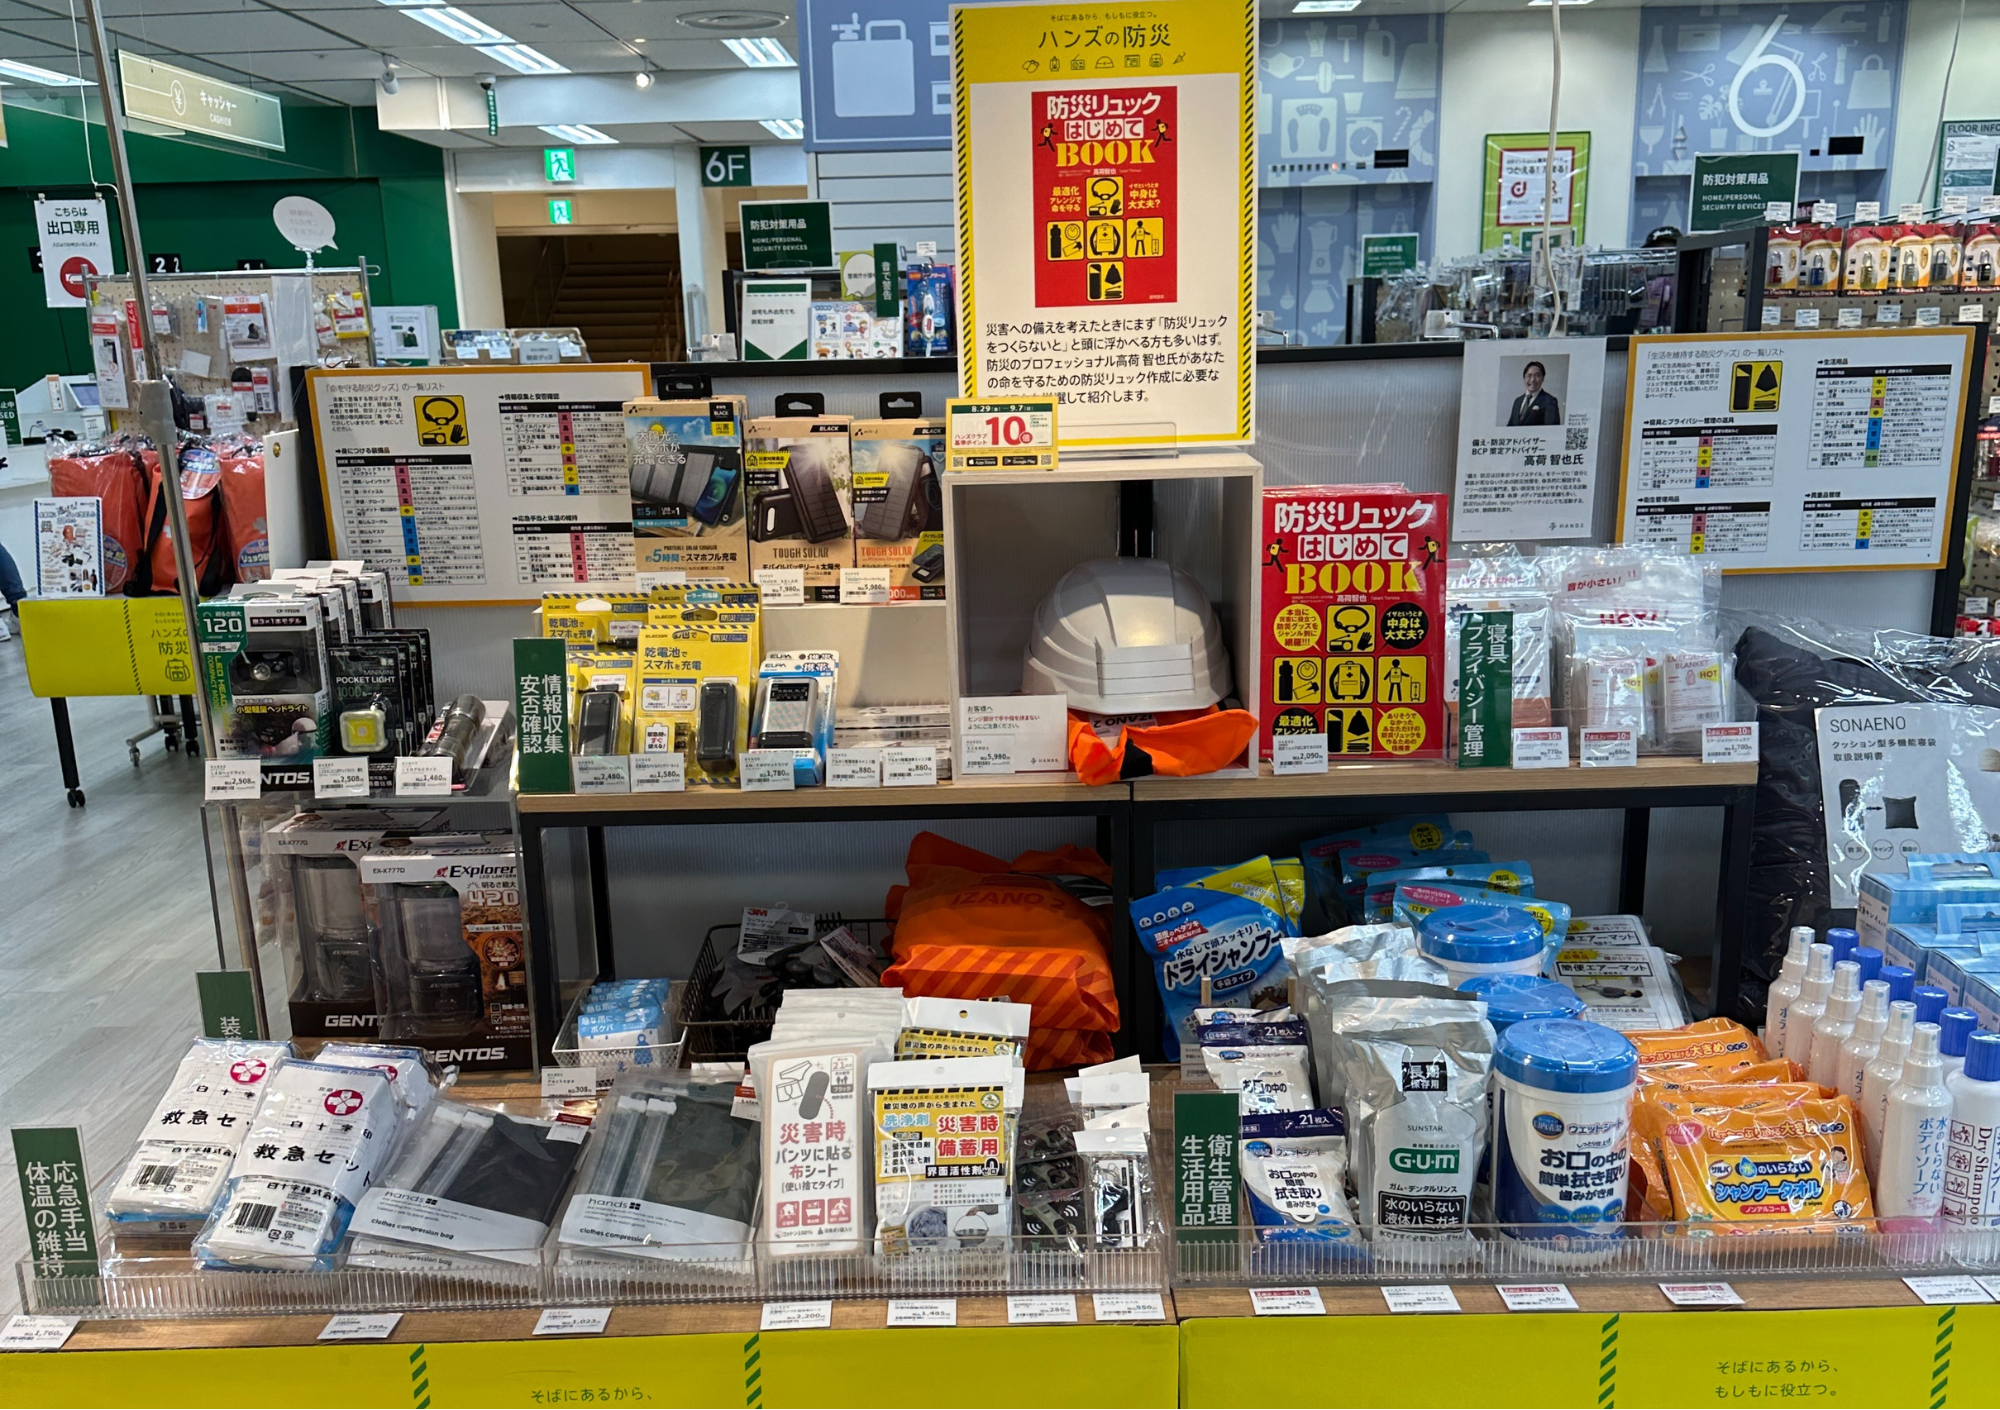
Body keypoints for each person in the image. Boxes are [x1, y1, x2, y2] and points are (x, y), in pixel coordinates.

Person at [1507, 360, 1561, 426]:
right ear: (1524, 378)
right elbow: (1510, 426)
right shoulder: (1517, 401)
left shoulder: (1550, 401)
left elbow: (1552, 429)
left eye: (1537, 376)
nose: (1532, 380)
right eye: (1529, 376)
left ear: (1543, 378)